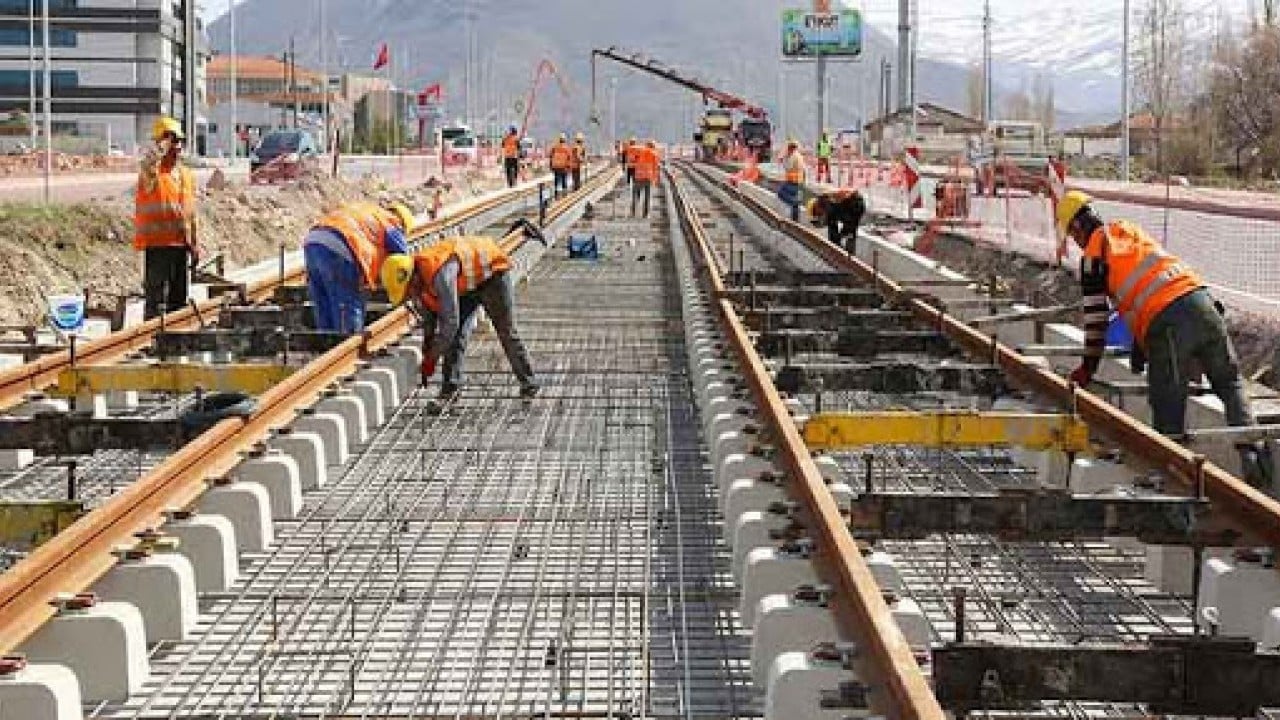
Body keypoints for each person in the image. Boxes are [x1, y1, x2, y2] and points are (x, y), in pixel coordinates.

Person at [1056, 190, 1273, 488]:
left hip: (1169, 325)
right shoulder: (1128, 232)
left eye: (1071, 236)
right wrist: (1141, 345)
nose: (1075, 242)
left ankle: (1176, 506)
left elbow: (1096, 324)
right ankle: (1253, 456)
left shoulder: (1093, 257)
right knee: (1230, 382)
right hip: (1204, 304)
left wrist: (1087, 369)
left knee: (1168, 415)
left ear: (1077, 228)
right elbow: (1147, 288)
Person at [380, 220, 542, 402]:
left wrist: (432, 358)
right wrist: (427, 353)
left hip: (492, 276)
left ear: (412, 278)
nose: (410, 296)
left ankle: (529, 383)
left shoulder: (440, 276)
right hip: (467, 283)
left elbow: (450, 323)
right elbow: (430, 322)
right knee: (456, 337)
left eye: (408, 291)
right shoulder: (420, 281)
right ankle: (450, 390)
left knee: (506, 331)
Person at [302, 201, 413, 333]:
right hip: (340, 246)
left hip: (312, 241)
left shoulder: (365, 211)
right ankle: (349, 345)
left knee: (323, 302)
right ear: (402, 222)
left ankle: (326, 344)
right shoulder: (390, 222)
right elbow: (404, 260)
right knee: (347, 302)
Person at [134, 116, 199, 319]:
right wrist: (160, 146)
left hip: (181, 245)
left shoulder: (186, 175)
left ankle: (175, 342)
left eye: (179, 141)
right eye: (172, 141)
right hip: (158, 245)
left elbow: (191, 213)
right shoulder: (152, 174)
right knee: (156, 301)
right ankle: (153, 339)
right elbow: (147, 164)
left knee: (178, 301)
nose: (177, 146)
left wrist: (194, 244)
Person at [807, 189, 866, 254]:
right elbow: (830, 219)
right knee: (846, 232)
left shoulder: (825, 201)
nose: (818, 215)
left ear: (816, 206)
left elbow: (830, 218)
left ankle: (842, 252)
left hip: (854, 205)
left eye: (816, 213)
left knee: (847, 231)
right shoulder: (826, 202)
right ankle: (843, 251)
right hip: (854, 205)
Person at [778, 139, 806, 222]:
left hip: (792, 181)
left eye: (788, 148)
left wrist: (783, 159)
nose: (787, 149)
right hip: (798, 181)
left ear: (790, 148)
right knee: (794, 203)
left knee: (781, 193)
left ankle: (795, 202)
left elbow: (788, 167)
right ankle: (795, 221)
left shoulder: (793, 156)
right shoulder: (799, 155)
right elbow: (804, 169)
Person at [632, 140, 660, 218]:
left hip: (638, 176)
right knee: (647, 196)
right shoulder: (654, 154)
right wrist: (655, 179)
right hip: (648, 177)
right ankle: (646, 214)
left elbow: (632, 160)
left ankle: (634, 213)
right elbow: (655, 167)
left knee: (636, 195)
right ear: (653, 146)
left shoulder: (640, 151)